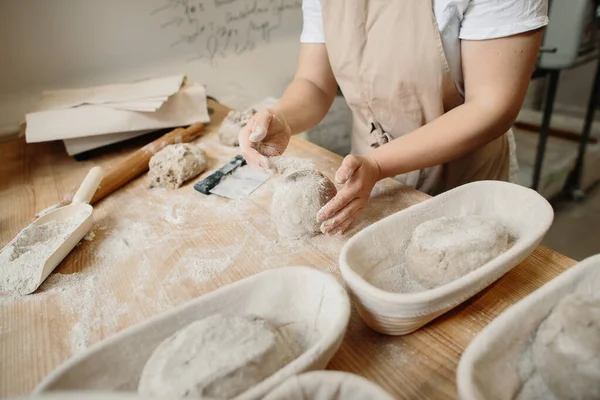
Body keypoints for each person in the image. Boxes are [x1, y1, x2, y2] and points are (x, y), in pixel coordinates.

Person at [238, 0, 548, 235]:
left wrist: (378, 164)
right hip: (367, 178)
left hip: (463, 181)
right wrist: (284, 116)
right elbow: (314, 83)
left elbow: (492, 106)